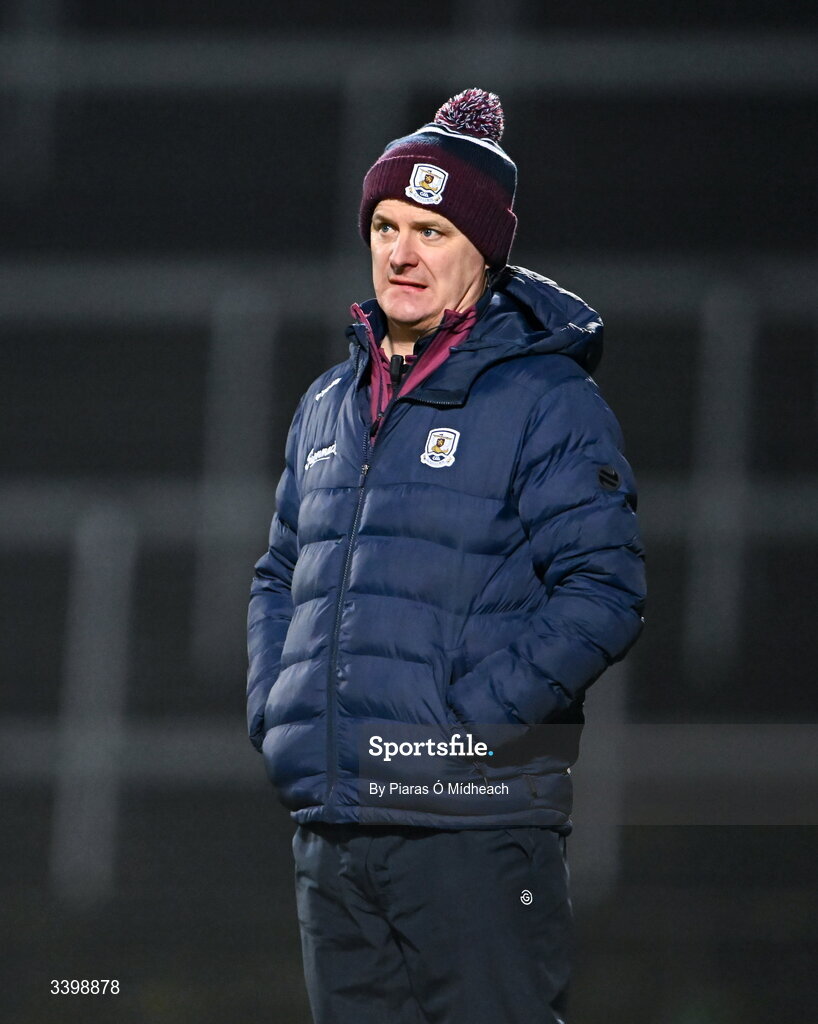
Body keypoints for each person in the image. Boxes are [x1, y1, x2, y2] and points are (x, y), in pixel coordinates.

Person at [247, 88, 646, 1024]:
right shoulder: (328, 405)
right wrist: (281, 714)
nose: (401, 252)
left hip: (474, 824)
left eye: (430, 229)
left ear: (483, 250)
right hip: (335, 827)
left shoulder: (548, 399)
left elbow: (605, 589)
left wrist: (459, 729)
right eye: (386, 225)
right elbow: (278, 574)